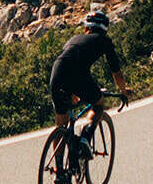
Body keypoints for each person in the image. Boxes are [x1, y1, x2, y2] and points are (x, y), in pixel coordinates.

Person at [50, 10, 133, 165]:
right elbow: (117, 73)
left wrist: (74, 91)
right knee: (98, 102)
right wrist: (123, 91)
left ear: (86, 28)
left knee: (61, 124)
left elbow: (69, 63)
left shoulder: (72, 39)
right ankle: (84, 138)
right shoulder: (104, 41)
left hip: (56, 74)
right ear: (104, 29)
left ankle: (59, 170)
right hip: (77, 74)